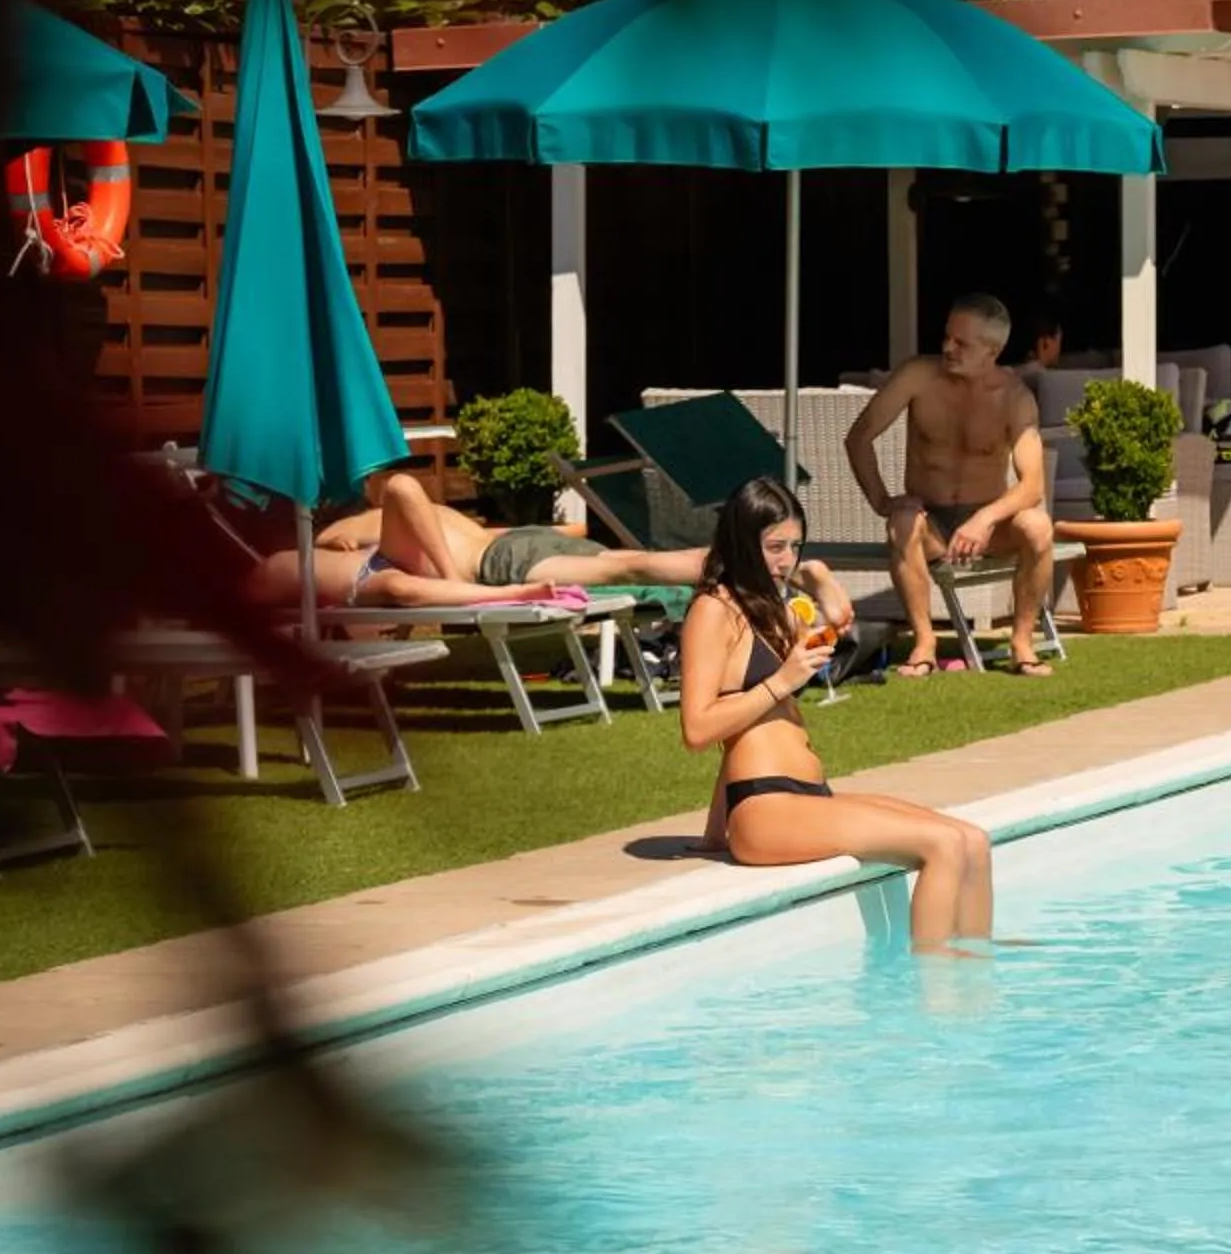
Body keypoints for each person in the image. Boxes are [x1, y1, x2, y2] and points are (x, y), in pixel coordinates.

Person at [679, 476, 997, 955]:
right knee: (942, 847)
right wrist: (782, 680)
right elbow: (698, 728)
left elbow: (832, 630)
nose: (786, 560)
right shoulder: (713, 611)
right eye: (774, 546)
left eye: (794, 546)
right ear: (742, 541)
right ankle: (939, 1000)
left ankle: (977, 981)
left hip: (801, 796)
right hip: (766, 807)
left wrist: (821, 579)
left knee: (971, 840)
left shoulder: (768, 609)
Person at [844, 292, 1058, 678]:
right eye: (947, 336)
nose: (947, 347)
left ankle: (1022, 642)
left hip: (988, 528)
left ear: (992, 351)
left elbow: (1033, 487)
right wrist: (880, 500)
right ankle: (925, 643)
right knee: (903, 522)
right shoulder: (917, 376)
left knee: (1038, 526)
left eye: (962, 343)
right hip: (932, 524)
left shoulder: (1015, 398)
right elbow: (859, 436)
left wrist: (986, 519)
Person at [318, 467, 710, 590]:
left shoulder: (378, 525)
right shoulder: (432, 518)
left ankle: (738, 563)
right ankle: (737, 555)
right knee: (634, 560)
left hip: (498, 560)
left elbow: (401, 486)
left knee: (630, 567)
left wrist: (453, 582)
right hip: (518, 541)